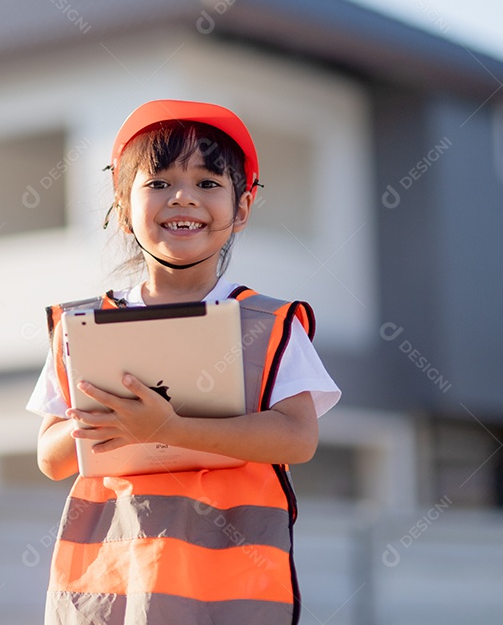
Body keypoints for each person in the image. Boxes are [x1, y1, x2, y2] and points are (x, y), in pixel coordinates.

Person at [26, 99, 341, 625]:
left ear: (242, 207)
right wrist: (113, 420)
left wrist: (170, 428)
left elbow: (296, 438)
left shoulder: (269, 323)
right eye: (158, 183)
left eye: (208, 183)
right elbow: (51, 457)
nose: (183, 198)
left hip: (230, 592)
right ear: (123, 207)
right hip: (113, 590)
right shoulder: (82, 327)